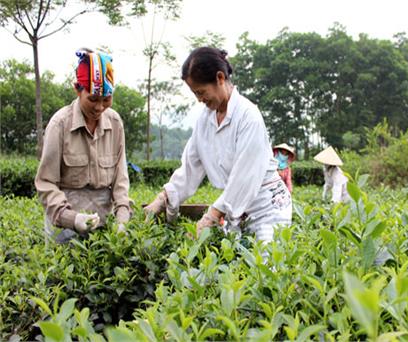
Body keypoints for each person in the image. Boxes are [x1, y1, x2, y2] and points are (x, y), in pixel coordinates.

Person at [144, 47, 292, 244]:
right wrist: (163, 198)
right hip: (236, 210)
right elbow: (190, 167)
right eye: (194, 93)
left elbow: (244, 177)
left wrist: (211, 215)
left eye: (201, 92)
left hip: (266, 208)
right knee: (237, 268)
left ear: (220, 78)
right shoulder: (205, 120)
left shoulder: (248, 116)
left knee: (264, 269)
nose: (199, 99)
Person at [35, 48, 131, 243]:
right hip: (63, 228)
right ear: (77, 89)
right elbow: (45, 183)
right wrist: (72, 218)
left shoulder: (114, 123)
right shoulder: (60, 124)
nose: (99, 107)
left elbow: (120, 179)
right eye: (93, 99)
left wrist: (122, 218)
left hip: (102, 225)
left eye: (106, 99)